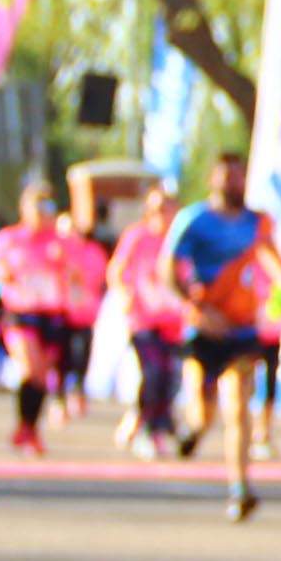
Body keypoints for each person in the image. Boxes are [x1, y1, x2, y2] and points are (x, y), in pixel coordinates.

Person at [169, 157, 281, 522]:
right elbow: (167, 269)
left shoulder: (256, 223)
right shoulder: (194, 221)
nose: (233, 181)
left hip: (241, 328)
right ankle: (193, 429)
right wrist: (195, 310)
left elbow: (277, 268)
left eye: (238, 175)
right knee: (204, 411)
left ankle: (240, 487)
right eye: (226, 175)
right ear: (212, 179)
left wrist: (280, 302)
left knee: (237, 406)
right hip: (204, 327)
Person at [0, 185, 77, 457]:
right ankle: (25, 426)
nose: (42, 215)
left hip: (51, 315)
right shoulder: (9, 238)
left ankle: (28, 427)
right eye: (37, 209)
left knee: (41, 376)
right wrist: (5, 274)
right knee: (29, 366)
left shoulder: (60, 242)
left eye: (47, 209)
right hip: (21, 313)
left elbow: (77, 275)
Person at [107, 188, 190, 459]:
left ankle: (147, 420)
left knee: (170, 378)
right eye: (155, 209)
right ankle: (149, 431)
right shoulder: (138, 236)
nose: (160, 215)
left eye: (166, 208)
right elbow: (116, 271)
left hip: (174, 323)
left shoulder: (182, 241)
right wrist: (125, 294)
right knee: (153, 373)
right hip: (143, 320)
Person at [55, 201, 112, 426]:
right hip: (61, 312)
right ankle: (59, 400)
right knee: (62, 360)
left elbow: (100, 279)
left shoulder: (93, 251)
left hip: (85, 314)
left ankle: (78, 394)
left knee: (81, 357)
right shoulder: (56, 251)